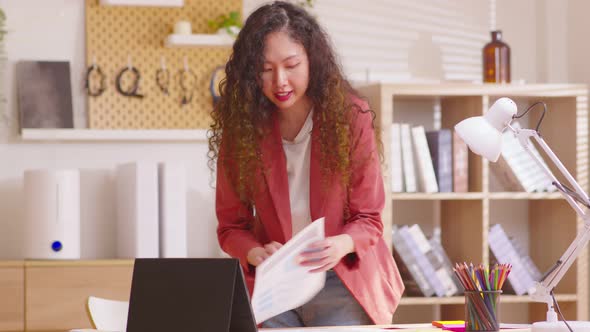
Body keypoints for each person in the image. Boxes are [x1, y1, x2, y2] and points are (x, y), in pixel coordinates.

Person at [208, 1, 404, 327]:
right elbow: (231, 227)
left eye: (291, 65)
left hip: (343, 281)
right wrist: (255, 252)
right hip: (276, 287)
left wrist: (340, 244)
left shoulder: (348, 118)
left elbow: (369, 218)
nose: (280, 81)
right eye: (265, 69)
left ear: (312, 60)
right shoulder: (242, 128)